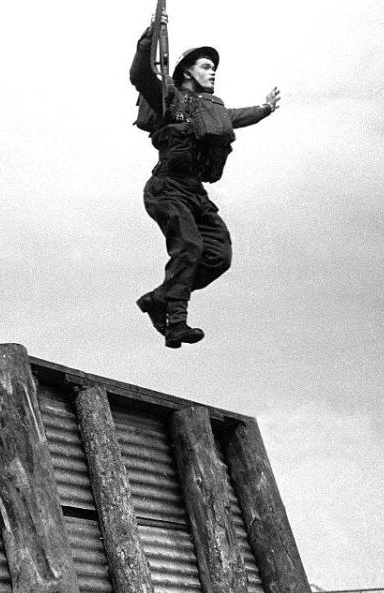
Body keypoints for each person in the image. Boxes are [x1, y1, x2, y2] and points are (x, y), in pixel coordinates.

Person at [130, 15, 280, 348]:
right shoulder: (168, 98)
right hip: (166, 188)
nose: (213, 72)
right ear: (186, 71)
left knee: (218, 255)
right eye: (206, 66)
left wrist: (266, 108)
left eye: (214, 68)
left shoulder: (212, 110)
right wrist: (149, 37)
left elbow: (239, 117)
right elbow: (140, 74)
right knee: (189, 246)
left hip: (196, 193)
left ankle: (159, 299)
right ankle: (175, 322)